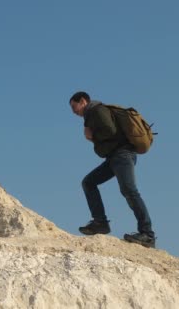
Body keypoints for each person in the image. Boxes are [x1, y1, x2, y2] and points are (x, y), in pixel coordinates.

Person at [69, 91, 156, 248]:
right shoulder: (92, 114)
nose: (74, 112)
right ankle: (100, 223)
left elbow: (110, 130)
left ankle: (147, 234)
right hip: (114, 157)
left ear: (83, 101)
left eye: (74, 107)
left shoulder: (96, 110)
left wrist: (92, 136)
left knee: (129, 190)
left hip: (122, 155)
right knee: (88, 182)